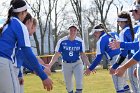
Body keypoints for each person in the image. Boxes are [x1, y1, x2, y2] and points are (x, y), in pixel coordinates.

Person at [0, 0, 53, 93]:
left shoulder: (9, 23)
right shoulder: (19, 25)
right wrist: (43, 75)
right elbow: (27, 54)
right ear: (23, 13)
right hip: (4, 62)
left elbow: (20, 55)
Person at [84, 23, 129, 93]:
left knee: (118, 86)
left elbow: (99, 57)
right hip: (125, 57)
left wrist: (90, 69)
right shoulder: (114, 33)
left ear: (98, 32)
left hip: (116, 60)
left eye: (95, 33)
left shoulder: (101, 40)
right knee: (124, 83)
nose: (94, 35)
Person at [49, 25, 90, 93]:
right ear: (68, 31)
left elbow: (83, 55)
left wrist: (89, 65)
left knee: (79, 82)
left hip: (77, 63)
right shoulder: (62, 41)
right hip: (66, 64)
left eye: (74, 30)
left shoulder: (80, 41)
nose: (73, 32)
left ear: (77, 31)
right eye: (71, 30)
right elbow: (57, 54)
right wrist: (49, 65)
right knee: (68, 85)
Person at [109, 11, 140, 93]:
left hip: (134, 60)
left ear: (122, 21)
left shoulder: (123, 32)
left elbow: (124, 53)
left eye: (118, 21)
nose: (118, 24)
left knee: (135, 87)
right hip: (136, 60)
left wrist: (115, 66)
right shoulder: (135, 29)